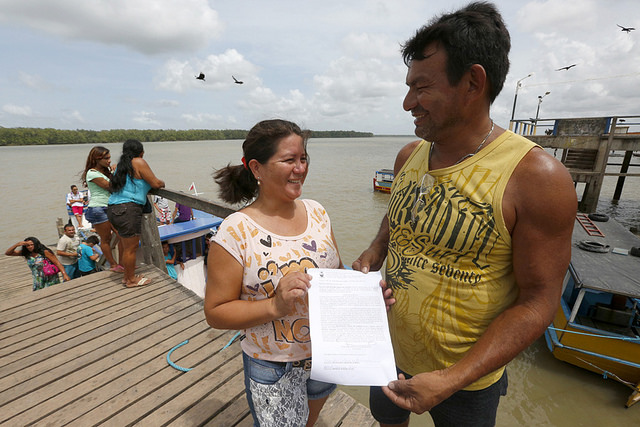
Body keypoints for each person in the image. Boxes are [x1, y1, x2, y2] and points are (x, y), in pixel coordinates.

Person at [351, 3, 577, 426]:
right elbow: (397, 217)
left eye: (421, 88)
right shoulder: (409, 156)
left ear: (473, 82)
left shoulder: (536, 178)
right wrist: (375, 251)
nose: (406, 103)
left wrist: (453, 378)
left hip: (468, 381)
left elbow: (539, 302)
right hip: (387, 352)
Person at [203, 119, 343, 427]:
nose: (300, 168)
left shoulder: (318, 212)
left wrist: (366, 295)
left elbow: (338, 275)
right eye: (289, 160)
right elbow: (216, 312)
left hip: (325, 355)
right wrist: (274, 306)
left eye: (303, 158)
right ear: (256, 168)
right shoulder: (235, 231)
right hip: (273, 365)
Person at [108, 139, 165, 288]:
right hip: (128, 209)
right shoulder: (138, 162)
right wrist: (161, 182)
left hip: (114, 208)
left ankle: (127, 277)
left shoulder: (122, 165)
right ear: (141, 151)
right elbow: (155, 183)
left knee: (127, 247)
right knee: (130, 248)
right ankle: (131, 280)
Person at [82, 146, 124, 273]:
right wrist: (116, 173)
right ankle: (113, 265)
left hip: (110, 207)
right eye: (106, 158)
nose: (109, 161)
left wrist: (115, 171)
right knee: (106, 239)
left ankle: (122, 263)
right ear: (97, 159)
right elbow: (111, 187)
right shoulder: (92, 173)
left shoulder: (106, 172)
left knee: (122, 235)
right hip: (98, 209)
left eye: (110, 158)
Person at [6, 237, 70, 290]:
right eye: (28, 245)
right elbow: (8, 253)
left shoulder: (45, 252)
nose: (30, 247)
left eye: (32, 245)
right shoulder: (27, 253)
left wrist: (64, 274)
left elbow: (57, 263)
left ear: (36, 244)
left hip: (50, 278)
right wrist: (17, 244)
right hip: (38, 279)